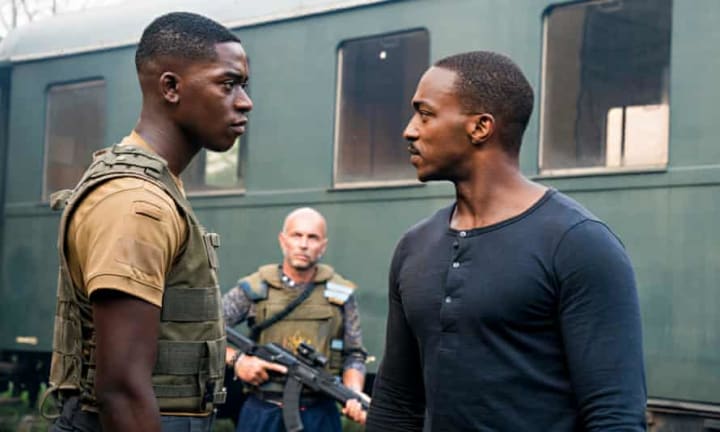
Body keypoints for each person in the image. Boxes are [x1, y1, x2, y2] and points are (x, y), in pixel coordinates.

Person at [366, 51, 647, 431]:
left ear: (480, 127)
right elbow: (396, 403)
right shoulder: (414, 247)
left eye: (426, 114)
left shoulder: (578, 244)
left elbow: (614, 416)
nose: (409, 131)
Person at [43, 12, 252, 432]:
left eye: (243, 85)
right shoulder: (137, 202)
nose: (244, 101)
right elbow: (121, 389)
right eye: (227, 84)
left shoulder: (156, 186)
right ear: (171, 87)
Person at [222, 207, 369, 431]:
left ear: (323, 246)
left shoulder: (340, 294)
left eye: (312, 237)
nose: (303, 244)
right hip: (262, 410)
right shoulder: (255, 288)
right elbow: (203, 330)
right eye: (296, 235)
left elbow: (354, 354)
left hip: (319, 413)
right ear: (283, 240)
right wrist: (238, 360)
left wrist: (354, 393)